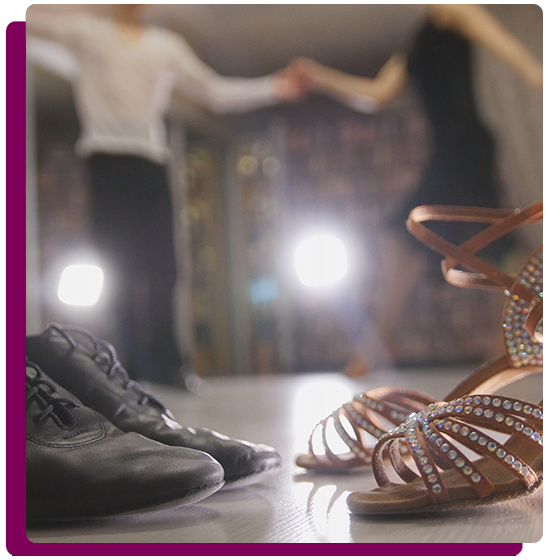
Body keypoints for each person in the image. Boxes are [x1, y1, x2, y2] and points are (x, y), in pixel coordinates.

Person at [26, 4, 303, 387]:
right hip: (105, 161)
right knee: (117, 268)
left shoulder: (164, 45)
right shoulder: (85, 32)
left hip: (150, 163)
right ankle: (132, 371)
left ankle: (170, 366)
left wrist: (275, 86)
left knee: (165, 267)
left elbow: (214, 92)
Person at [290, 4, 543, 376]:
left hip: (465, 146)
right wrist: (318, 77)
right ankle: (382, 345)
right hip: (449, 148)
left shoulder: (454, 9)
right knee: (433, 244)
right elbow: (377, 95)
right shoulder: (419, 34)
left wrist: (537, 77)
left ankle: (510, 340)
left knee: (466, 245)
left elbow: (506, 48)